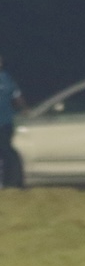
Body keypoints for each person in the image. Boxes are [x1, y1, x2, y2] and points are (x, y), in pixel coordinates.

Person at [0, 54, 30, 187]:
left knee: (6, 150)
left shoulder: (6, 78)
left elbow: (17, 96)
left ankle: (13, 181)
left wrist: (24, 109)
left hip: (5, 122)